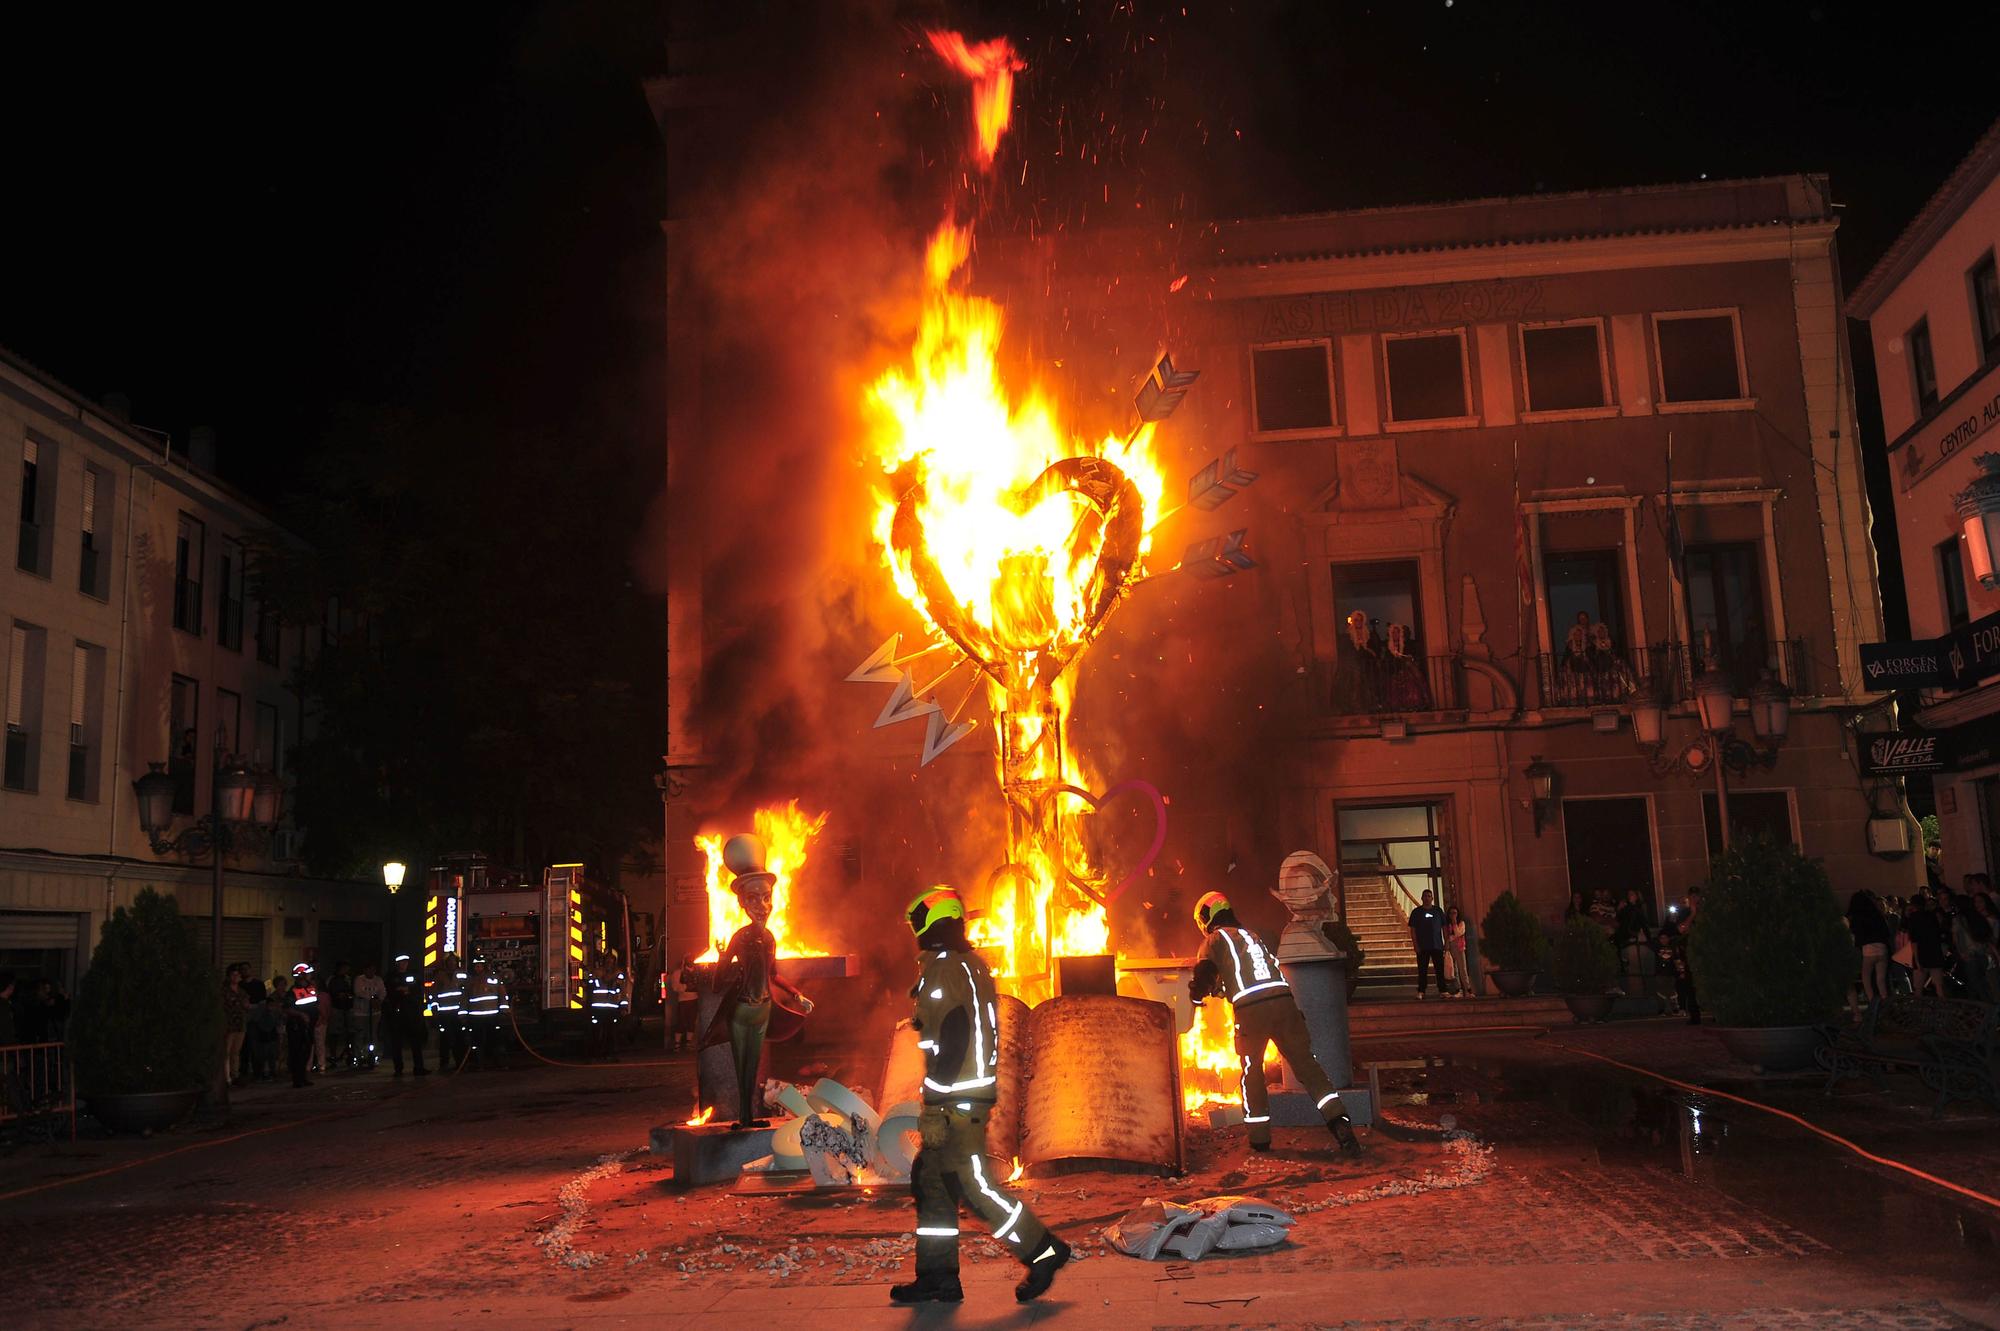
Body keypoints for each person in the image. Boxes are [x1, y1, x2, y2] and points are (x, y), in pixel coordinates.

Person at [890, 886, 1070, 1306]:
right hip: (966, 1096)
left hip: (957, 1102)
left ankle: (1043, 1251)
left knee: (973, 1187)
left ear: (930, 922)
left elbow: (951, 1036)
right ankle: (938, 1279)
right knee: (932, 1181)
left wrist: (934, 1103)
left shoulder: (943, 969)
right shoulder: (968, 964)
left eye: (916, 922)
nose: (913, 931)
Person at [1189, 890, 1362, 1156]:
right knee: (1308, 1067)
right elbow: (1253, 973)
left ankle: (1260, 1139)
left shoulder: (1215, 939)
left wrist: (1197, 996)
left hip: (1252, 1011)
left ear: (1205, 918)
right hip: (1285, 1004)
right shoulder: (1253, 937)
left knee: (1252, 1072)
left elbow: (1205, 974)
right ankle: (1340, 1123)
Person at [706, 838, 812, 1128]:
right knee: (743, 1066)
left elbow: (773, 974)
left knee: (753, 1066)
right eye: (752, 899)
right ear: (741, 903)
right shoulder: (739, 937)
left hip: (764, 1009)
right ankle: (744, 1116)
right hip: (742, 1010)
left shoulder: (770, 939)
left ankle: (750, 1114)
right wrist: (721, 958)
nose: (762, 905)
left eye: (766, 897)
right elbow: (718, 982)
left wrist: (796, 994)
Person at [1658, 889, 1701, 1024]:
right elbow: (1681, 929)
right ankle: (1693, 1014)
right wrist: (1692, 914)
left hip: (1701, 950)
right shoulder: (1683, 913)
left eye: (1696, 897)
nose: (1694, 900)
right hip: (1686, 951)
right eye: (1691, 897)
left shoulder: (1703, 912)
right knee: (1687, 983)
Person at [382, 956, 429, 1077]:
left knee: (415, 1041)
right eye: (401, 962)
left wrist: (408, 992)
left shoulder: (414, 974)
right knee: (396, 1042)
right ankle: (398, 1069)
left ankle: (419, 1067)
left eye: (405, 962)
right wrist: (401, 991)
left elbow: (419, 990)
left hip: (412, 1012)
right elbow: (388, 992)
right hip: (397, 1013)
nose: (403, 964)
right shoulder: (391, 977)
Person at [1847, 890, 1892, 1013]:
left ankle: (1873, 1003)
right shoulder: (1877, 915)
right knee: (1881, 980)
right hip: (1882, 948)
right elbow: (1886, 932)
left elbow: (1856, 934)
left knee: (1866, 978)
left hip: (1868, 949)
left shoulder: (1857, 917)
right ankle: (1885, 1003)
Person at [1905, 891, 1949, 998]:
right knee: (1939, 985)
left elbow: (1914, 940)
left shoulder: (1913, 918)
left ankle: (1919, 1009)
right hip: (1934, 951)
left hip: (1921, 952)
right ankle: (1944, 1007)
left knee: (1918, 987)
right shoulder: (1931, 915)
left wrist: (1916, 959)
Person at [430, 952, 468, 1071]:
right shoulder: (440, 976)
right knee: (445, 1039)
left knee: (460, 1039)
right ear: (446, 963)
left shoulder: (463, 975)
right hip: (444, 1014)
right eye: (450, 961)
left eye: (454, 961)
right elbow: (433, 994)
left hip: (458, 1014)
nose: (452, 963)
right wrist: (434, 1011)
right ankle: (444, 1063)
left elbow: (467, 992)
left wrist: (465, 1011)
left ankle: (460, 1063)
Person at [1408, 889, 1447, 1000]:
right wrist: (1415, 945)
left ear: (1432, 898)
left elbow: (1444, 927)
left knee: (1439, 969)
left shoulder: (1438, 911)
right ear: (1422, 898)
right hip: (1422, 946)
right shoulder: (1416, 912)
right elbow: (1413, 929)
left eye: (1429, 896)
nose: (1427, 898)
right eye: (1425, 896)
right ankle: (1421, 990)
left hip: (1437, 945)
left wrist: (1446, 941)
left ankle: (1443, 990)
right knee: (1422, 970)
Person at [285, 964, 319, 1088]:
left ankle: (303, 1077)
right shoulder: (292, 991)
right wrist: (301, 1015)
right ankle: (297, 1079)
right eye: (308, 974)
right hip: (296, 1026)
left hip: (309, 1026)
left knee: (307, 1052)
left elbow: (315, 1004)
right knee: (297, 1052)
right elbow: (287, 1008)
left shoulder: (311, 988)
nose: (310, 976)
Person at [1613, 889, 1655, 980]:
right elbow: (1619, 920)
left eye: (1632, 894)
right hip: (1623, 933)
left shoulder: (1638, 908)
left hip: (1629, 933)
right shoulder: (1626, 908)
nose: (1629, 896)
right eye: (1628, 895)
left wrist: (1648, 938)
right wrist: (1618, 909)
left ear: (1636, 896)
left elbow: (1643, 923)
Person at [353, 963, 385, 1068]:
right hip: (361, 1012)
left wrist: (379, 1000)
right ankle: (359, 1056)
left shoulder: (378, 980)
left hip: (374, 1012)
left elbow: (382, 992)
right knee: (360, 1034)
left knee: (373, 1034)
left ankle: (373, 1055)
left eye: (373, 970)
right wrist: (370, 998)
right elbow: (358, 992)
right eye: (369, 969)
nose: (371, 972)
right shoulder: (359, 980)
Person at [324, 962, 355, 1069]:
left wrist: (348, 996)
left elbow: (352, 991)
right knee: (334, 1033)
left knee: (350, 1032)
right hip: (336, 1008)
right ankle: (333, 1055)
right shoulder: (332, 979)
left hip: (347, 1008)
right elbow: (329, 992)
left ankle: (348, 1053)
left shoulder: (348, 979)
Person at [222, 965, 249, 1087]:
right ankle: (226, 1077)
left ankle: (235, 1075)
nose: (237, 977)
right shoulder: (224, 991)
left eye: (238, 975)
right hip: (229, 1025)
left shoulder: (242, 991)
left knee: (236, 1052)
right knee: (226, 1052)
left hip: (240, 1024)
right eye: (234, 975)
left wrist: (246, 1005)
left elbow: (246, 1005)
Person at [249, 985, 281, 1082]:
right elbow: (259, 1023)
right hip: (263, 1037)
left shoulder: (273, 1014)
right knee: (263, 1055)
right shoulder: (262, 1013)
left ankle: (271, 1071)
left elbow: (276, 1024)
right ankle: (263, 1072)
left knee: (271, 1055)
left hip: (270, 1036)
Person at [1442, 905, 1470, 998]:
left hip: (1459, 947)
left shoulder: (1461, 923)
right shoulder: (1447, 924)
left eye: (1454, 913)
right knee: (1454, 971)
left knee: (1463, 969)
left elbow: (1458, 933)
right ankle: (1458, 990)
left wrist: (1454, 922)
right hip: (1451, 948)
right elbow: (1447, 936)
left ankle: (1468, 990)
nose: (1452, 915)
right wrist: (1447, 943)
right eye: (1451, 913)